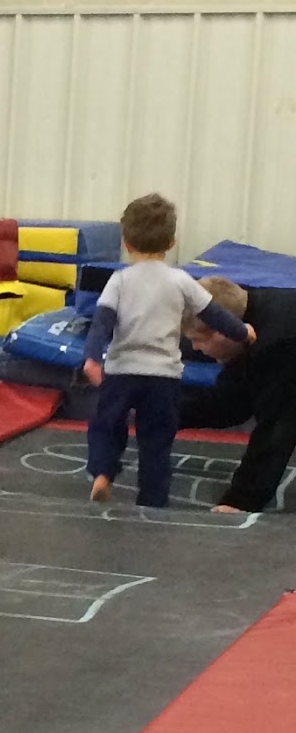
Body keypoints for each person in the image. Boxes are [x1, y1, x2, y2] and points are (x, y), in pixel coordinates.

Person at [82, 194, 252, 508]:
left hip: (122, 372)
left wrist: (92, 358)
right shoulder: (181, 280)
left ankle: (102, 473)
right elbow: (214, 314)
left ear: (126, 243)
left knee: (106, 424)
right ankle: (153, 499)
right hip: (162, 377)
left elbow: (101, 322)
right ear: (172, 242)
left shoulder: (120, 281)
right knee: (157, 439)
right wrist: (243, 332)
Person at [180, 275, 296, 513]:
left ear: (222, 332)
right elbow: (231, 403)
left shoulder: (277, 343)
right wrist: (164, 413)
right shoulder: (252, 315)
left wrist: (239, 501)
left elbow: (277, 428)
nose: (195, 348)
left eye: (197, 340)